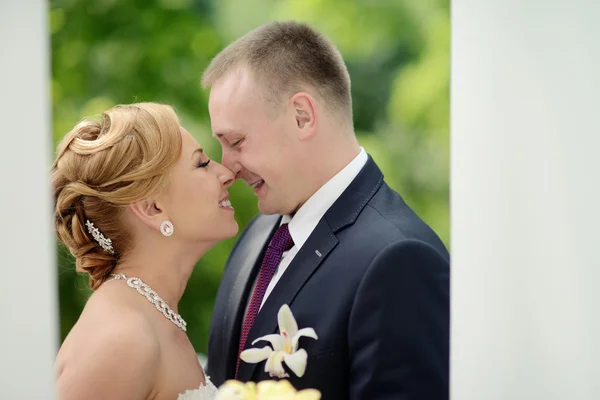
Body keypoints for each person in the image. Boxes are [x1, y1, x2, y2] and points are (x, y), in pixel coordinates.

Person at [203, 21, 450, 399]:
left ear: (302, 115)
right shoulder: (257, 235)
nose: (227, 166)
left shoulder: (399, 259)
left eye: (236, 141)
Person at [52, 102, 235, 399]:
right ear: (152, 208)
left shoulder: (150, 316)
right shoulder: (123, 338)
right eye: (201, 163)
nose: (227, 173)